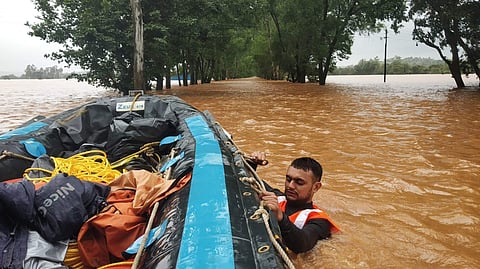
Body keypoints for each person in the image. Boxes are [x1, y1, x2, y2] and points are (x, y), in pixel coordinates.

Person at [249, 152, 340, 253]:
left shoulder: (320, 221)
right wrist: (252, 163)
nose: (290, 186)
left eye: (299, 182)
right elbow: (252, 183)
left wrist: (281, 217)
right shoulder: (277, 196)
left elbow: (303, 243)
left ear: (316, 187)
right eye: (288, 179)